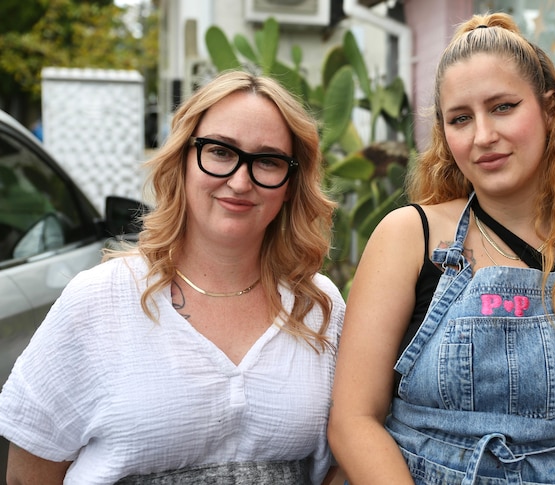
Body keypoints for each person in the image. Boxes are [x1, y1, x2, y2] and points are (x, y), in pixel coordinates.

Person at [328, 12, 555, 484]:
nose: (483, 136)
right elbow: (354, 421)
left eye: (503, 107)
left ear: (549, 108)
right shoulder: (408, 235)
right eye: (460, 118)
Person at [0, 71, 346, 484]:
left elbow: (337, 466)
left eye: (268, 161)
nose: (239, 181)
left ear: (290, 184)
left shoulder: (318, 308)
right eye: (220, 151)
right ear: (182, 159)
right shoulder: (99, 299)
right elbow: (28, 475)